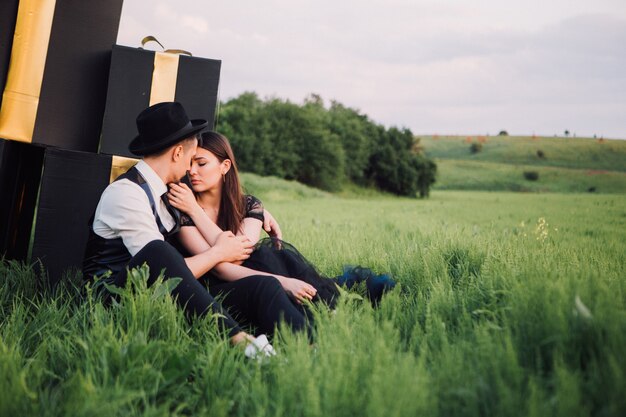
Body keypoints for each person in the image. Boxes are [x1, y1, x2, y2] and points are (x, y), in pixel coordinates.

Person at [82, 102, 274, 357]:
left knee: (261, 286)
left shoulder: (166, 190)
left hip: (160, 292)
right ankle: (240, 340)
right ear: (177, 153)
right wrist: (218, 253)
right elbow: (161, 270)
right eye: (190, 158)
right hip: (114, 299)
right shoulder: (126, 194)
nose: (190, 168)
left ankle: (305, 340)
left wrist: (258, 212)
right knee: (159, 251)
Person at [166, 131, 394, 337]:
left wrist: (198, 213)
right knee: (266, 260)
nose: (192, 171)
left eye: (201, 163)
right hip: (220, 285)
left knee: (270, 256)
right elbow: (221, 265)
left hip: (252, 269)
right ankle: (310, 320)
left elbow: (240, 251)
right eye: (190, 163)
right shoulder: (183, 207)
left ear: (225, 166)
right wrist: (194, 210)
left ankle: (323, 308)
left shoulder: (248, 204)